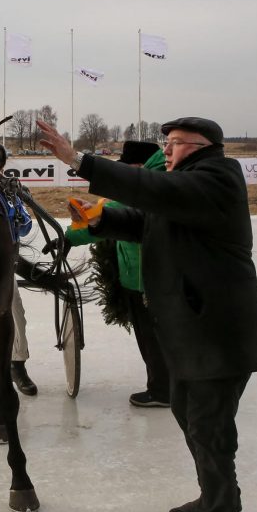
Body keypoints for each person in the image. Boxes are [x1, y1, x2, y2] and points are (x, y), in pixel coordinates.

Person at [38, 117, 257, 512]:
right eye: (168, 141)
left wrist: (78, 160)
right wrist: (102, 218)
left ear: (203, 146)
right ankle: (221, 498)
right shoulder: (185, 185)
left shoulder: (217, 179)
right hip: (193, 329)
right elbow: (147, 221)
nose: (169, 149)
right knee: (189, 412)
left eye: (176, 143)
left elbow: (155, 194)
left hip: (218, 330)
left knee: (209, 426)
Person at [63, 141, 171, 408]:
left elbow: (114, 212)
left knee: (154, 338)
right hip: (137, 275)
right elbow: (107, 208)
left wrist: (69, 237)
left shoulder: (151, 186)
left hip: (149, 279)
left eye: (128, 168)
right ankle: (164, 386)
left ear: (139, 167)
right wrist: (71, 235)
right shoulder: (147, 183)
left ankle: (162, 391)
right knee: (150, 337)